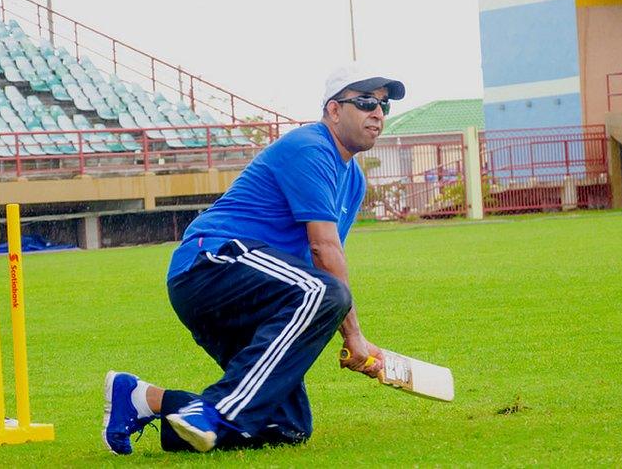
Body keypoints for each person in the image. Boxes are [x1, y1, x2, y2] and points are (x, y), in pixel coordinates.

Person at [102, 64, 405, 454]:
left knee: (286, 426)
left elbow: (314, 272)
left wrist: (346, 335)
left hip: (255, 295)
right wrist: (354, 337)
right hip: (211, 265)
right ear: (333, 110)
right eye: (365, 102)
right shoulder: (310, 146)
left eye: (383, 106)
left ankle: (145, 399)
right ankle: (213, 413)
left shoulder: (354, 180)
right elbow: (324, 253)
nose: (377, 113)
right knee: (328, 293)